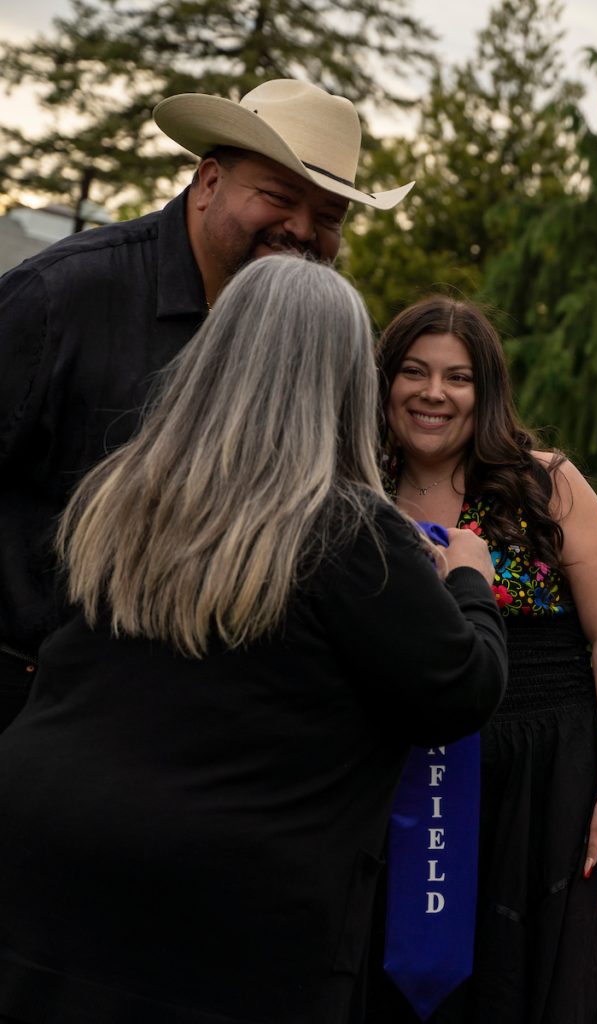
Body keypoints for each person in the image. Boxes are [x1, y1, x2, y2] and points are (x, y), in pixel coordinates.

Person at [0, 257, 506, 1024]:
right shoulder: (349, 533)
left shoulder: (125, 492)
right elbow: (458, 688)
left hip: (37, 857)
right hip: (218, 916)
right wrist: (470, 580)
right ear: (345, 385)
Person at [0, 77, 414, 725]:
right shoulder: (61, 299)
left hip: (170, 734)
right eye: (278, 196)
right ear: (208, 181)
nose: (302, 231)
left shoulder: (311, 355)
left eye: (330, 218)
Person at [365, 296, 597, 1023]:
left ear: (485, 390)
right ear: (383, 382)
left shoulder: (542, 483)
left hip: (544, 784)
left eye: (457, 377)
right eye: (413, 371)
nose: (433, 393)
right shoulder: (354, 483)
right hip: (393, 780)